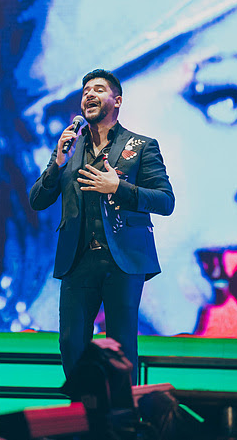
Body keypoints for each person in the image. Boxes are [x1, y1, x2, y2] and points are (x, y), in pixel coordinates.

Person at [29, 69, 175, 383]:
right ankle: (85, 415)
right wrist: (57, 165)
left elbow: (165, 201)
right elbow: (38, 200)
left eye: (98, 89)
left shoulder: (141, 146)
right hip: (78, 260)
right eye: (85, 92)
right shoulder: (68, 150)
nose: (89, 95)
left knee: (121, 346)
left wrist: (118, 188)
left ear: (117, 100)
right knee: (70, 341)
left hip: (122, 262)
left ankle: (122, 420)